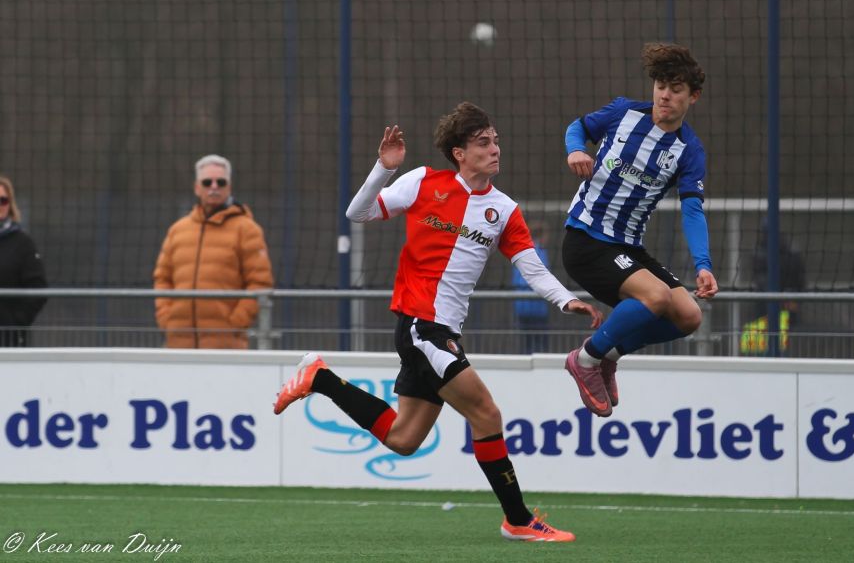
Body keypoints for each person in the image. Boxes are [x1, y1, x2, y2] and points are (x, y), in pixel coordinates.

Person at [273, 103, 602, 542]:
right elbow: (358, 213)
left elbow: (532, 268)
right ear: (459, 153)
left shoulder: (504, 209)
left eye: (496, 141)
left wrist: (566, 300)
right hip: (422, 326)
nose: (494, 149)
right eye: (483, 143)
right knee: (487, 413)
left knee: (404, 439)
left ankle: (321, 378)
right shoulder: (423, 182)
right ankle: (518, 519)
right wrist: (384, 169)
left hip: (439, 330)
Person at [562, 42, 719, 417]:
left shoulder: (689, 150)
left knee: (689, 315)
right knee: (656, 297)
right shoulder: (623, 112)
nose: (665, 96)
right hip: (586, 240)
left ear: (693, 96)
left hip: (627, 247)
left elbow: (692, 210)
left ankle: (608, 355)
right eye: (661, 86)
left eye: (676, 89)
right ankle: (584, 360)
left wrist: (704, 264)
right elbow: (578, 127)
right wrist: (575, 149)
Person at [153, 155, 274, 349]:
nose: (214, 187)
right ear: (197, 187)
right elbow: (162, 279)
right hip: (178, 344)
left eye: (221, 182)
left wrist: (235, 323)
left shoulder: (247, 229)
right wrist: (166, 319)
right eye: (207, 182)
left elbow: (260, 283)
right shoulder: (177, 230)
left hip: (226, 345)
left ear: (229, 187)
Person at [741, 225, 806, 355]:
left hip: (784, 305)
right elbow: (761, 278)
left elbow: (798, 278)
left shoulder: (789, 253)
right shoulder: (760, 253)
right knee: (763, 343)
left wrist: (793, 297)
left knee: (783, 342)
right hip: (765, 306)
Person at [0, 176, 47, 347]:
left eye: (3, 200)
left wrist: (15, 323)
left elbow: (39, 289)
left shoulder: (23, 243)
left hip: (7, 340)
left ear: (10, 205)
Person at [511, 219, 552, 353]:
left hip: (523, 307)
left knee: (528, 344)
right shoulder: (538, 251)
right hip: (535, 308)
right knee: (540, 344)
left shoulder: (520, 251)